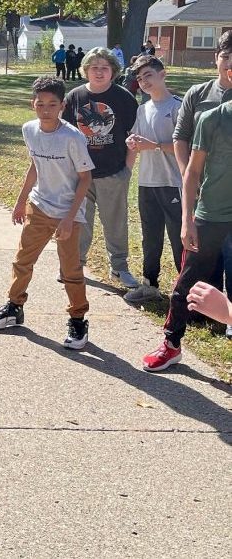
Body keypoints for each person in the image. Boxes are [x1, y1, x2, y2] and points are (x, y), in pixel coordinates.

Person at [0, 76, 94, 349]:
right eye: (40, 104)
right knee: (22, 260)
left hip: (68, 212)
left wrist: (70, 218)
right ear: (32, 104)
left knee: (71, 269)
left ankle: (78, 319)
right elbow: (34, 166)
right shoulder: (29, 130)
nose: (46, 109)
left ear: (62, 106)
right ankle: (14, 307)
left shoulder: (72, 137)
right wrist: (21, 201)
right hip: (39, 205)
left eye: (52, 104)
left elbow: (85, 179)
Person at [142, 89, 232, 371]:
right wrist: (187, 219)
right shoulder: (211, 118)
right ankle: (171, 344)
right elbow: (192, 173)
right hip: (210, 215)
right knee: (186, 284)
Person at [62, 47, 140, 288]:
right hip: (80, 174)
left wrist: (126, 170)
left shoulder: (124, 97)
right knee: (80, 223)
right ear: (85, 70)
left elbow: (133, 135)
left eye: (104, 68)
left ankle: (119, 268)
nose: (99, 72)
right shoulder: (75, 97)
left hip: (112, 172)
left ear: (113, 72)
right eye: (94, 67)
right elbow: (63, 134)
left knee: (115, 223)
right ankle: (76, 265)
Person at [172, 30, 232, 338]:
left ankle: (226, 318)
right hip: (204, 194)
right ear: (216, 59)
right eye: (224, 56)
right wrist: (189, 180)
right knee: (201, 260)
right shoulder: (199, 95)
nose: (228, 62)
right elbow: (181, 137)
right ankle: (197, 314)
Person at [123, 55, 183, 303]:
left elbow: (185, 148)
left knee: (179, 239)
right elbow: (138, 141)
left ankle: (187, 291)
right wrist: (133, 143)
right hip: (147, 182)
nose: (143, 81)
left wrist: (155, 145)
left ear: (163, 74)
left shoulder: (178, 107)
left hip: (174, 184)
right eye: (139, 78)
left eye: (148, 75)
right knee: (150, 235)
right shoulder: (142, 108)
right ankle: (150, 285)